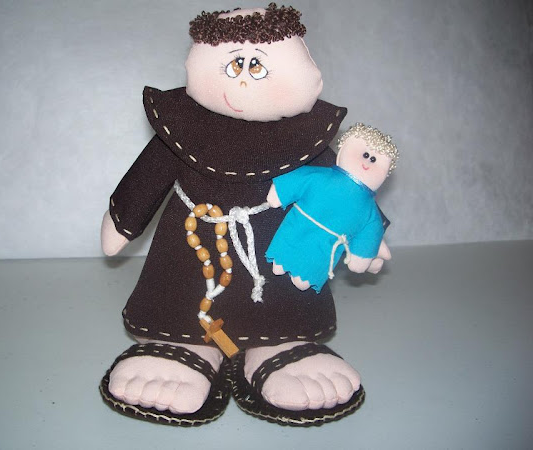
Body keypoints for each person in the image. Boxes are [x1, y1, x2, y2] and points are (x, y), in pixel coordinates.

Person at [99, 4, 392, 426]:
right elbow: (148, 177)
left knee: (285, 296)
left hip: (280, 261)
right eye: (233, 63)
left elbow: (346, 191)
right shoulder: (180, 129)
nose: (242, 78)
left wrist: (370, 234)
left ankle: (279, 344)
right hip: (189, 253)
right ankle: (184, 343)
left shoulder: (308, 141)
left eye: (256, 65)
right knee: (180, 293)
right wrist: (123, 220)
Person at [266, 123, 399, 293]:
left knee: (307, 274)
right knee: (282, 256)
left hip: (328, 244)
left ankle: (303, 277)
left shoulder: (370, 211)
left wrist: (360, 257)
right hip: (300, 225)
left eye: (374, 159)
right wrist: (280, 192)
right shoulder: (323, 177)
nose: (367, 161)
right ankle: (281, 263)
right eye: (366, 154)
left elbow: (371, 232)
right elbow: (303, 178)